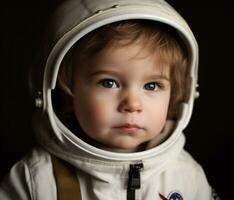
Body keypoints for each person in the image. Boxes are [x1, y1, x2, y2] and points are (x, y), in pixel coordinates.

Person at [0, 0, 220, 199]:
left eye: (152, 85)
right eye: (108, 83)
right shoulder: (37, 180)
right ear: (66, 93)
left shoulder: (186, 175)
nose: (132, 104)